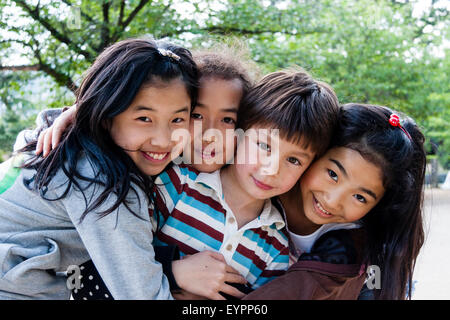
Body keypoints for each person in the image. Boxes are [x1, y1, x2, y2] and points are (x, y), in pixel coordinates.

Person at [28, 68, 341, 300]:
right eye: (264, 146)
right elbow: (103, 267)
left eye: (294, 161)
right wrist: (173, 274)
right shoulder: (172, 185)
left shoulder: (276, 246)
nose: (271, 169)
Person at [0, 38, 199, 299]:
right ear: (106, 115)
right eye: (144, 118)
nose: (163, 139)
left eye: (177, 119)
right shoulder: (102, 183)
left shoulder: (67, 141)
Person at [243, 103, 426, 300]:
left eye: (359, 197)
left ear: (378, 205)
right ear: (317, 152)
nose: (332, 201)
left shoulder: (352, 249)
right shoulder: (265, 184)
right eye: (333, 174)